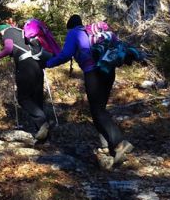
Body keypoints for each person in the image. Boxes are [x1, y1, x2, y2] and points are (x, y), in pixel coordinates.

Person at [46, 14, 133, 169]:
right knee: (99, 110)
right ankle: (108, 147)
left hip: (93, 73)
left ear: (70, 27)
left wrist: (48, 63)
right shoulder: (90, 32)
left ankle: (119, 143)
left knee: (97, 111)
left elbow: (66, 54)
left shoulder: (74, 33)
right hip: (108, 70)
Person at [0, 20, 50, 143]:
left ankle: (42, 121)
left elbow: (8, 48)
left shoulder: (8, 32)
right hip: (37, 66)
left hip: (25, 67)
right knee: (36, 98)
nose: (2, 36)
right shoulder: (22, 32)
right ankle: (42, 137)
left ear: (2, 31)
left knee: (23, 98)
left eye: (1, 34)